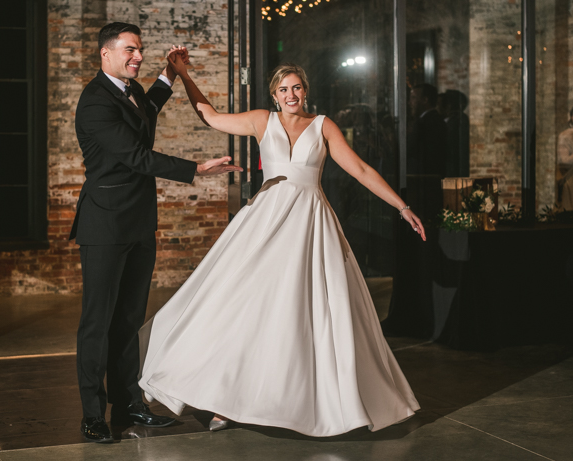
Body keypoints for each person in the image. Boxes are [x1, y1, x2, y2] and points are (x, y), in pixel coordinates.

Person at [138, 59, 424, 437]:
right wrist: (185, 76)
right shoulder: (262, 120)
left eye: (296, 88)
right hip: (264, 221)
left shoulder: (323, 126)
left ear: (305, 91)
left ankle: (299, 399)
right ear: (274, 95)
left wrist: (401, 207)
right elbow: (210, 116)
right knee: (240, 304)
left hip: (309, 224)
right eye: (283, 89)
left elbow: (360, 170)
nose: (291, 95)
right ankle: (222, 398)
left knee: (300, 312)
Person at [69, 22, 242, 444]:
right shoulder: (94, 101)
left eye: (141, 50)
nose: (138, 56)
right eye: (130, 49)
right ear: (105, 54)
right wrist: (196, 169)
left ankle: (131, 405)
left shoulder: (126, 92)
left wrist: (171, 72)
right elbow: (134, 155)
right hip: (104, 224)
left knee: (128, 320)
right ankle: (93, 414)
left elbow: (147, 109)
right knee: (98, 322)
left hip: (139, 223)